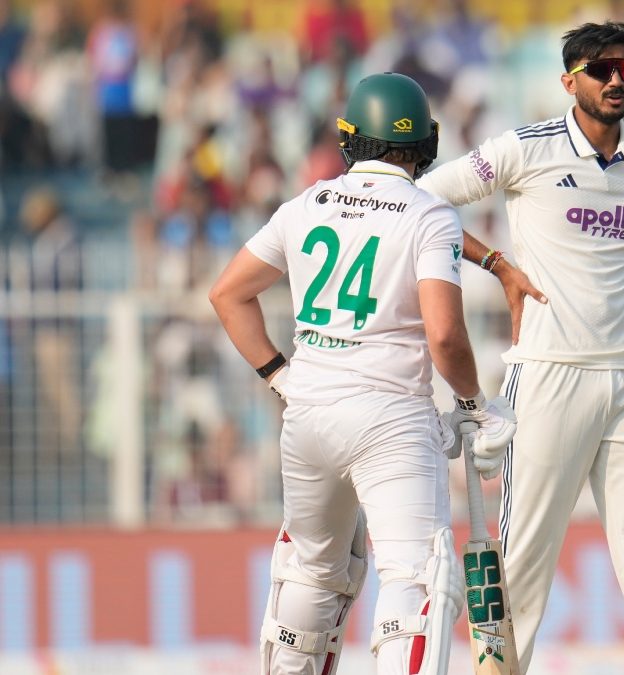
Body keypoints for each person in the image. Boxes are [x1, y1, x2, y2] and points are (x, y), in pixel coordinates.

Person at [417, 21, 624, 675]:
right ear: (569, 80)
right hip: (548, 378)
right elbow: (424, 200)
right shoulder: (525, 149)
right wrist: (497, 262)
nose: (617, 80)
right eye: (603, 69)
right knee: (521, 568)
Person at [209, 72, 516, 675]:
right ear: (427, 144)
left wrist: (279, 374)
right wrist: (478, 402)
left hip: (309, 419)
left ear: (350, 138)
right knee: (414, 581)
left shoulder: (306, 204)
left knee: (312, 574)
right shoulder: (430, 215)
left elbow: (227, 294)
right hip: (391, 420)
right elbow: (446, 335)